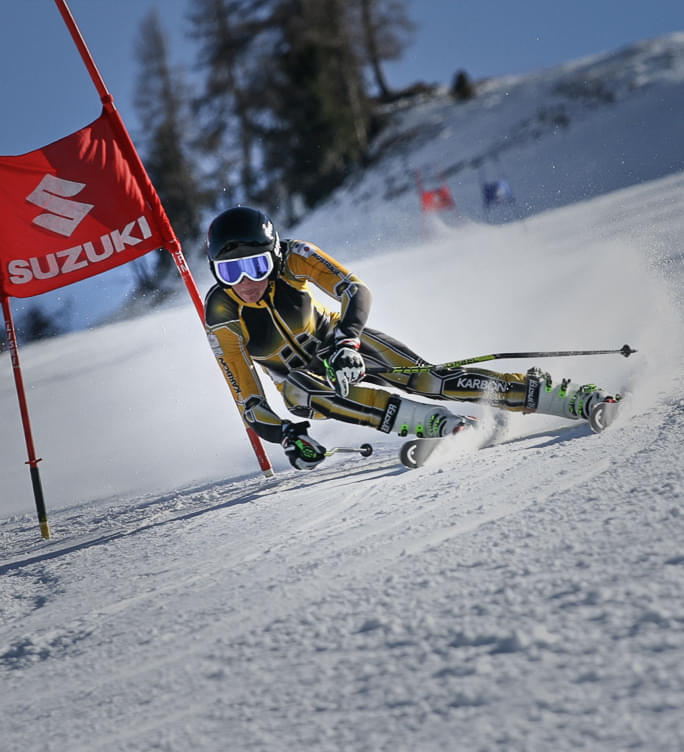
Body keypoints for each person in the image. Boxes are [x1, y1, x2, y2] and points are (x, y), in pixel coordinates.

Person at [204, 206, 617, 470]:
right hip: (302, 382)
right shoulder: (223, 314)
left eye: (256, 265)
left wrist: (347, 342)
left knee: (431, 380)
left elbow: (354, 289)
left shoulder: (295, 257)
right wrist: (288, 435)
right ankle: (441, 425)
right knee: (300, 392)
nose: (246, 282)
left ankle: (566, 397)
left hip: (338, 340)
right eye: (230, 272)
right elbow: (251, 403)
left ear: (274, 254)